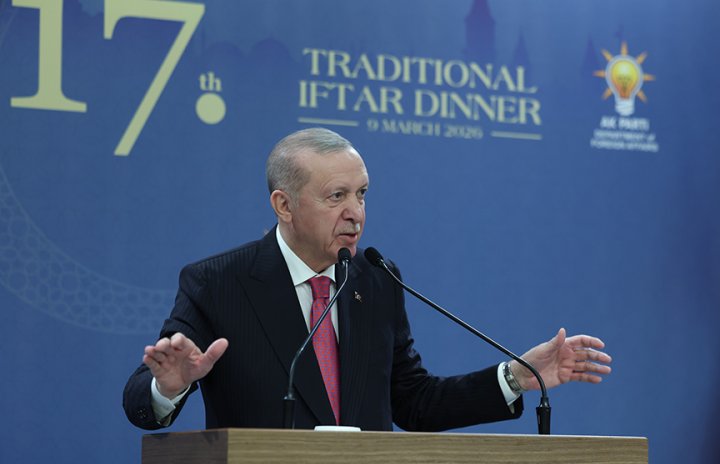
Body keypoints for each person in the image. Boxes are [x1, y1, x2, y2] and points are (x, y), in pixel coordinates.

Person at [123, 128, 611, 431]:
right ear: (284, 205)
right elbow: (140, 399)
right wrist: (170, 386)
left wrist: (516, 377)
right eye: (336, 196)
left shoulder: (376, 280)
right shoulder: (218, 283)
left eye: (362, 194)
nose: (355, 212)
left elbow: (414, 402)